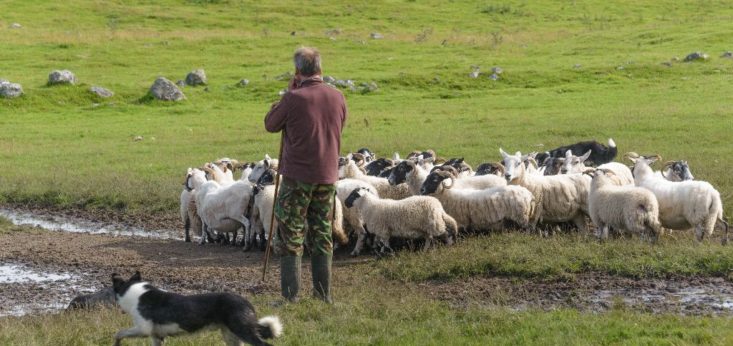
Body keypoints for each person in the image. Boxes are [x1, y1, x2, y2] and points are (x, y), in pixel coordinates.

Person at [264, 47, 347, 303]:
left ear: (298, 71)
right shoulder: (338, 96)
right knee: (322, 232)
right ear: (320, 69)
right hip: (327, 176)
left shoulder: (293, 98)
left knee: (291, 232)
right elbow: (338, 125)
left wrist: (290, 92)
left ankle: (290, 297)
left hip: (297, 177)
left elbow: (270, 124)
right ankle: (324, 296)